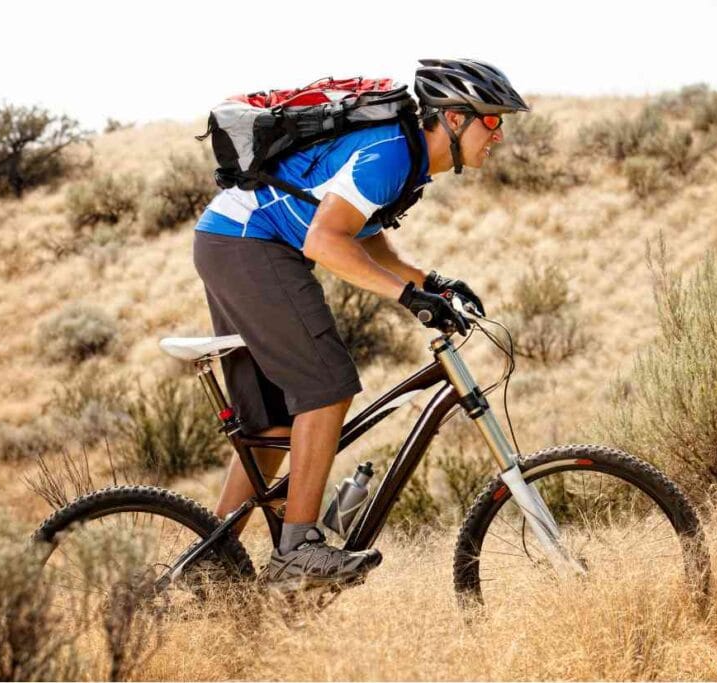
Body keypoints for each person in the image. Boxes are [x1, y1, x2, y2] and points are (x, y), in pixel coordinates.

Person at [192, 58, 530, 589]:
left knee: (271, 430)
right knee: (327, 389)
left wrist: (429, 281)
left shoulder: (407, 159)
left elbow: (360, 231)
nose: (500, 134)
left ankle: (211, 568)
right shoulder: (391, 154)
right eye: (492, 120)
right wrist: (407, 298)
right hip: (248, 244)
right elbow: (324, 241)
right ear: (455, 119)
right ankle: (297, 550)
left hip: (231, 241)